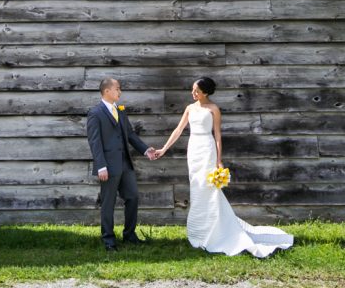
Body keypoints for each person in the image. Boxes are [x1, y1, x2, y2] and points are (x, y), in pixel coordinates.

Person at [156, 77, 293, 257]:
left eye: (196, 91)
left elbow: (218, 135)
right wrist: (164, 149)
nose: (193, 93)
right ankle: (200, 231)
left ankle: (216, 231)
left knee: (210, 190)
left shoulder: (214, 109)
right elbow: (178, 130)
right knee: (196, 188)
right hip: (194, 150)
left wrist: (219, 160)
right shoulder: (190, 108)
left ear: (205, 92)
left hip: (207, 148)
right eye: (192, 90)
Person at [86, 76, 158, 251]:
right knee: (108, 203)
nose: (120, 92)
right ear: (107, 91)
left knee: (133, 197)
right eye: (117, 88)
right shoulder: (95, 113)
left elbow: (130, 134)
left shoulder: (121, 110)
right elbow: (95, 142)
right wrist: (101, 165)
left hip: (125, 164)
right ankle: (109, 240)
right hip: (108, 167)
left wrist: (145, 150)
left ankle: (129, 234)